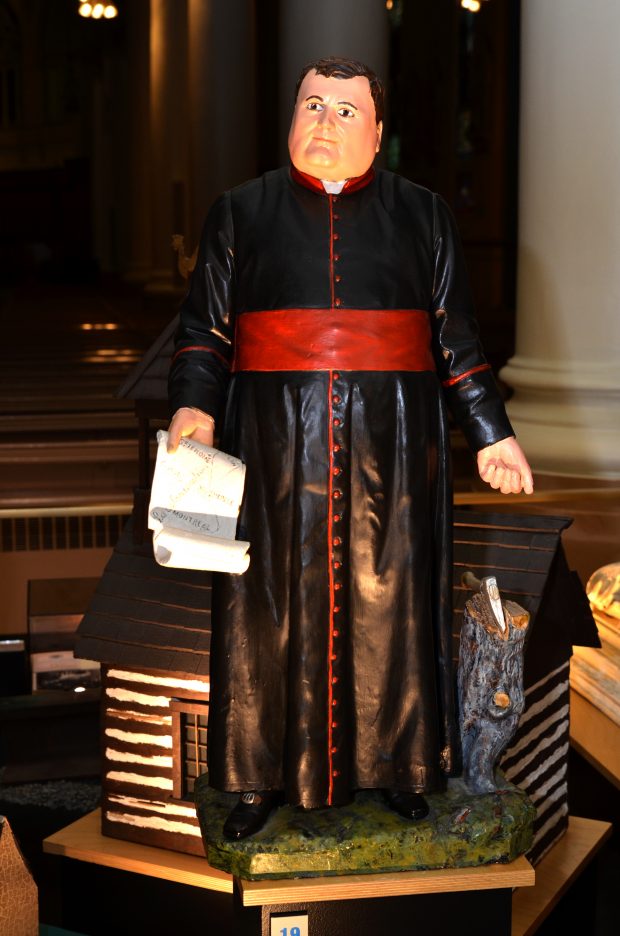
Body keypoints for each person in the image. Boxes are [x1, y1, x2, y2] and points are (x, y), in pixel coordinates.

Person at [167, 57, 533, 841]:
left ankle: (399, 768)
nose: (324, 122)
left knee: (393, 601)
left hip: (394, 440)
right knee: (266, 609)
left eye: (344, 110)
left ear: (377, 132)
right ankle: (261, 775)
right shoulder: (239, 212)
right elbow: (204, 332)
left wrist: (491, 432)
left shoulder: (424, 214)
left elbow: (456, 341)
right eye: (311, 105)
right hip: (271, 442)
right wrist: (195, 410)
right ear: (289, 116)